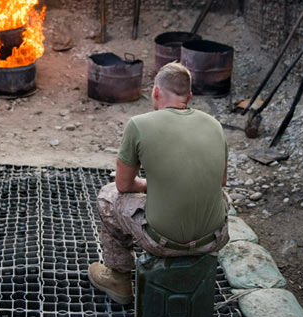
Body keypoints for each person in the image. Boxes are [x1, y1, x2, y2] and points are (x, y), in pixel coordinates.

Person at [88, 62, 230, 304]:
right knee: (223, 197)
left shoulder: (139, 125)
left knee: (107, 196)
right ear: (190, 97)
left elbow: (123, 185)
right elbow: (222, 181)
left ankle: (118, 277)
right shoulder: (214, 125)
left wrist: (147, 186)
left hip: (162, 240)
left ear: (155, 92)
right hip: (214, 236)